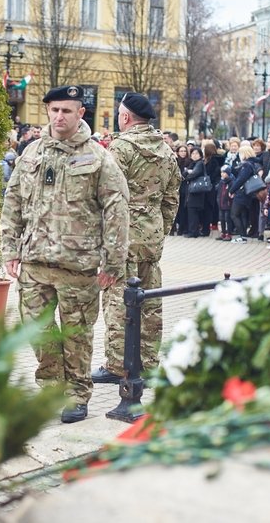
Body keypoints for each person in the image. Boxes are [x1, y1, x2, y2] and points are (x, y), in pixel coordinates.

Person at [0, 84, 129, 424]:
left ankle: (76, 395)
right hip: (34, 264)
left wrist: (112, 261)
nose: (59, 116)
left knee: (76, 337)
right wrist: (9, 249)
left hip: (79, 268)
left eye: (67, 110)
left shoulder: (100, 158)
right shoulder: (31, 153)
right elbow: (12, 202)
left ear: (80, 113)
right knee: (39, 336)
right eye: (54, 109)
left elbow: (116, 210)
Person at [92, 92, 180, 385]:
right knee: (150, 300)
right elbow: (171, 199)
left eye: (119, 114)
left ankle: (118, 365)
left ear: (126, 117)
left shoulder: (120, 148)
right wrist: (159, 230)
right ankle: (149, 362)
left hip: (124, 234)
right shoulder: (166, 151)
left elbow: (108, 194)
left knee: (118, 298)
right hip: (151, 234)